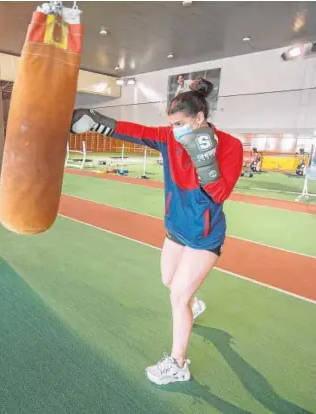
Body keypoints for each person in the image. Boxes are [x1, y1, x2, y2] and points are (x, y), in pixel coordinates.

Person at [70, 78, 243, 385]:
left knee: (177, 297)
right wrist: (98, 122)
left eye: (179, 123)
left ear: (200, 119)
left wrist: (204, 159)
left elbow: (219, 194)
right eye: (171, 124)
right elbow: (138, 133)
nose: (174, 129)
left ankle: (178, 363)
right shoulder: (169, 138)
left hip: (204, 235)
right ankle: (193, 299)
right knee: (168, 280)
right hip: (175, 227)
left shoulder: (230, 146)